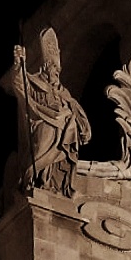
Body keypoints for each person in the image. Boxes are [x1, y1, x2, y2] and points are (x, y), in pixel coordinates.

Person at [15, 27, 90, 196]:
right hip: (43, 122)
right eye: (53, 68)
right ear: (45, 68)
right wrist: (19, 64)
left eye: (58, 69)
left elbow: (75, 108)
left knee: (68, 130)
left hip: (63, 126)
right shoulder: (36, 83)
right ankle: (38, 180)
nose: (56, 71)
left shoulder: (64, 92)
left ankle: (55, 185)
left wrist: (72, 113)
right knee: (44, 140)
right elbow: (20, 84)